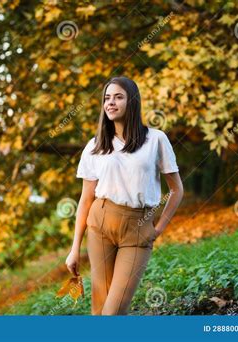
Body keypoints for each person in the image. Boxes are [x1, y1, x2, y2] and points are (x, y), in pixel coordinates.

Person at [65, 76, 183, 315]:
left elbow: (177, 189)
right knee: (99, 310)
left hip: (137, 228)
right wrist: (75, 247)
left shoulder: (156, 140)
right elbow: (86, 199)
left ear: (132, 102)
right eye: (107, 98)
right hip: (100, 225)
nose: (111, 103)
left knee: (114, 311)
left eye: (118, 97)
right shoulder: (95, 146)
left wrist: (158, 229)